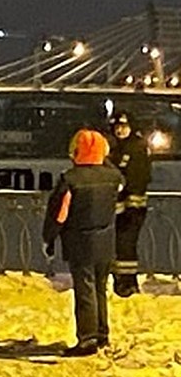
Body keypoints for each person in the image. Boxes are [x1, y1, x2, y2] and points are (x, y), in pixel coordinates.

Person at [42, 127, 123, 356]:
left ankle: (87, 339)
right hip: (106, 241)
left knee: (85, 290)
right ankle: (101, 333)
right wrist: (103, 160)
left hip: (80, 242)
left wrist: (49, 237)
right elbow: (119, 178)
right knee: (99, 288)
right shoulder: (112, 177)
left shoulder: (71, 179)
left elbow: (59, 215)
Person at [109, 111, 152, 296]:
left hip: (132, 208)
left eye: (124, 127)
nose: (120, 131)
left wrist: (130, 204)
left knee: (126, 245)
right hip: (120, 208)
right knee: (120, 245)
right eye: (117, 127)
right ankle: (123, 281)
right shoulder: (117, 147)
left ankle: (127, 284)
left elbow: (138, 178)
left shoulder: (136, 147)